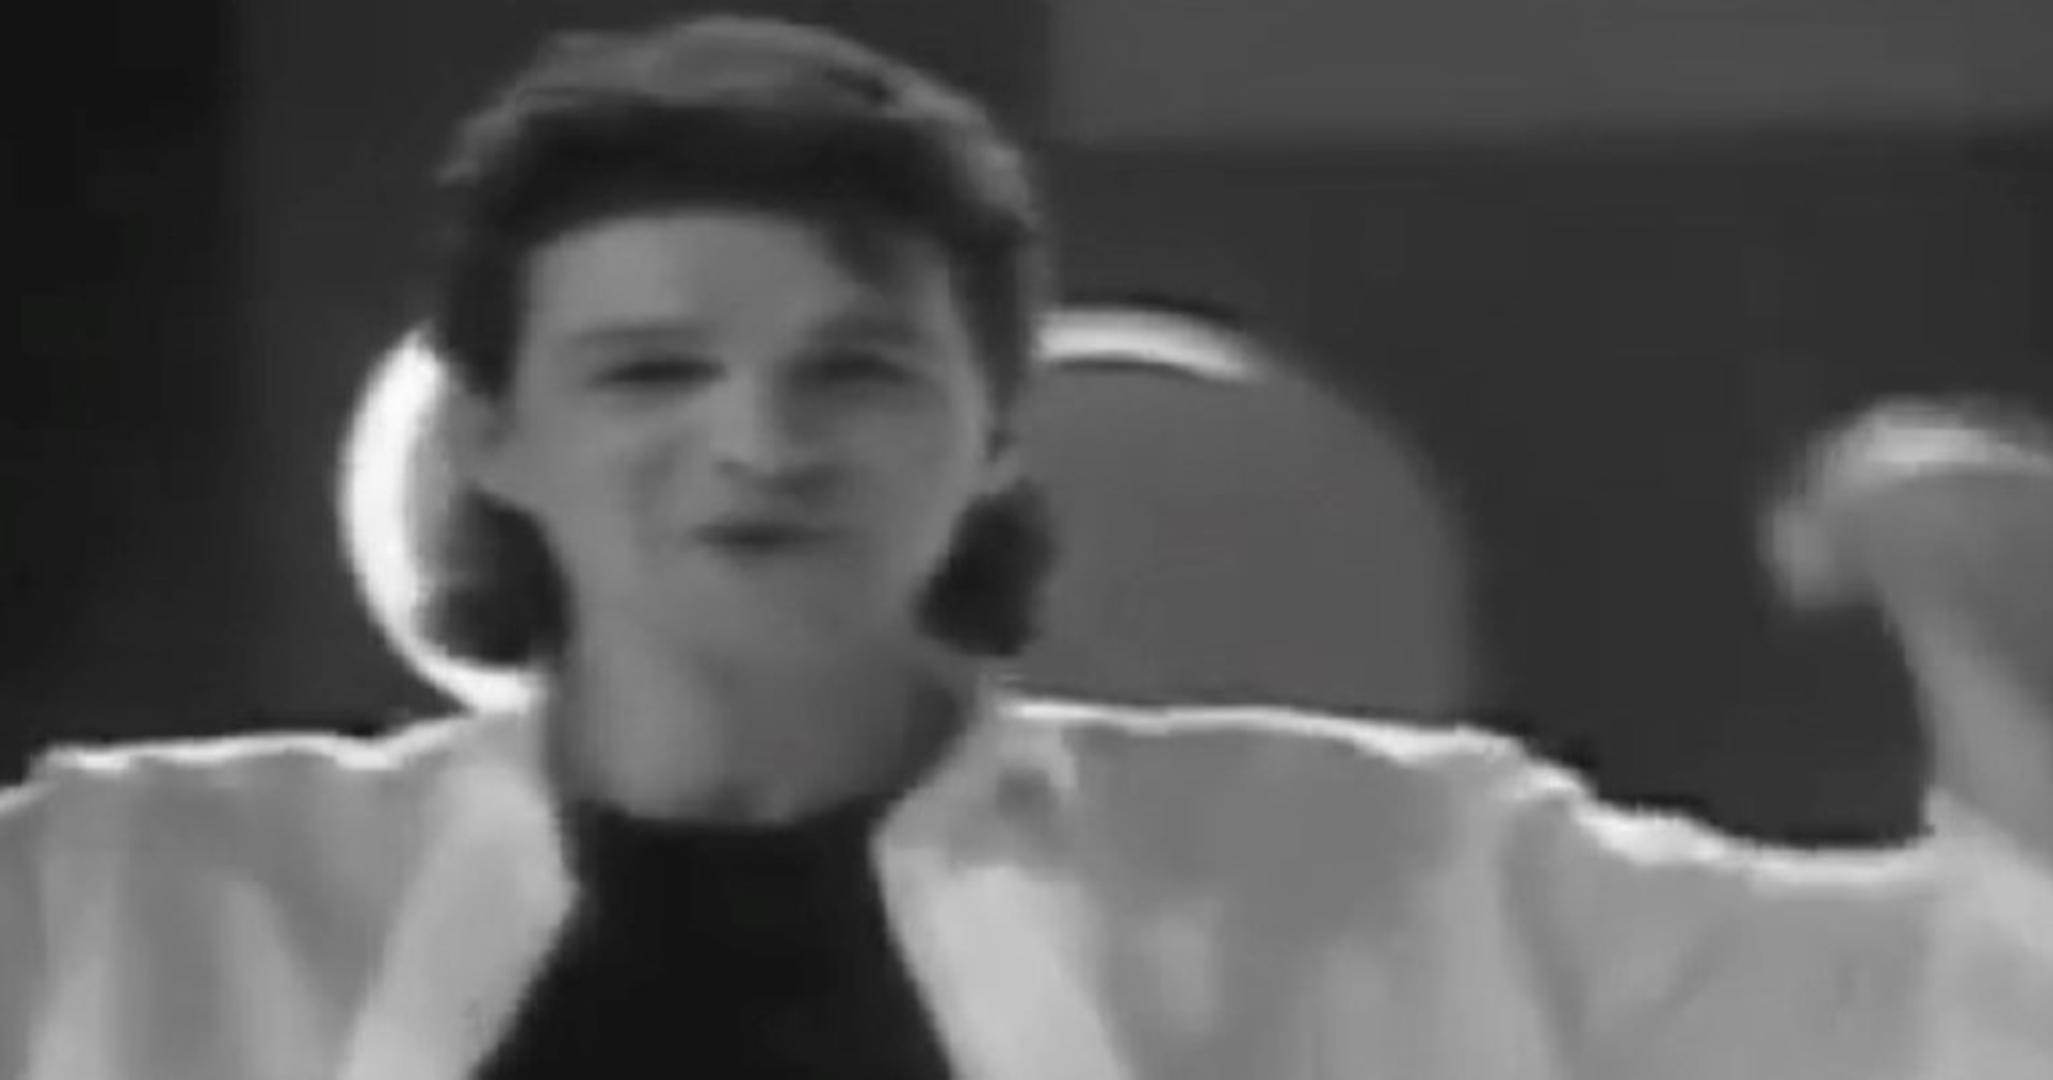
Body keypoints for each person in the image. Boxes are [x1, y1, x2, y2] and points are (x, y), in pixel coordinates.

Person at [3, 14, 2051, 1079]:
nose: (762, 443)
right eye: (651, 373)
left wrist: (1976, 593)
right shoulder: (135, 891)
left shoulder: (1375, 875)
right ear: (490, 444)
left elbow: (1980, 1012)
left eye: (856, 370)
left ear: (989, 436)